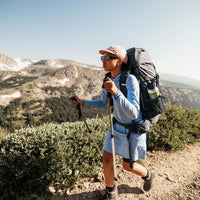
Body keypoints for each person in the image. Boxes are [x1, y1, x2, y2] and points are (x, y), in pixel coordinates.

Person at [71, 45, 155, 199]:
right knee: (107, 159)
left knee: (128, 167)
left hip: (132, 130)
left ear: (120, 61)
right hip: (116, 126)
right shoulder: (108, 79)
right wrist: (83, 102)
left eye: (108, 57)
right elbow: (103, 103)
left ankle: (149, 174)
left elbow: (133, 112)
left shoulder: (130, 80)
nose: (104, 60)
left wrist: (116, 92)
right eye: (103, 57)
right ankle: (111, 193)